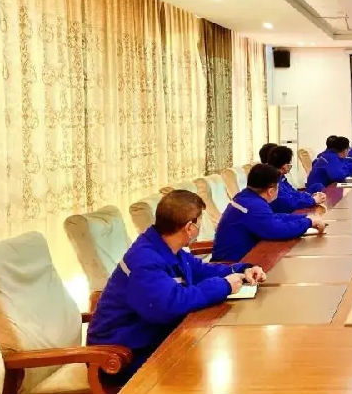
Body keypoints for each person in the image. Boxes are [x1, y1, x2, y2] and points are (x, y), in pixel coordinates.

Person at [87, 190, 266, 385]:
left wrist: (242, 270)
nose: (200, 227)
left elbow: (201, 270)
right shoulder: (144, 260)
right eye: (199, 222)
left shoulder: (167, 248)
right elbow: (170, 305)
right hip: (120, 355)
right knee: (207, 370)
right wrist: (224, 285)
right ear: (189, 227)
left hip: (150, 338)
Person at [213, 164, 327, 262]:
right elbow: (277, 230)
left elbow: (272, 218)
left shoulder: (246, 197)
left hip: (244, 258)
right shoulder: (253, 205)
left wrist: (306, 217)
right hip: (232, 264)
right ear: (271, 191)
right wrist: (308, 222)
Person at [265, 145, 326, 213]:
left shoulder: (281, 177)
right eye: (289, 164)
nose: (290, 167)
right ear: (284, 166)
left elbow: (294, 193)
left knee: (317, 187)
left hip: (287, 210)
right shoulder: (272, 180)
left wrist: (310, 197)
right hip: (282, 213)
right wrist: (313, 200)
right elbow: (288, 203)